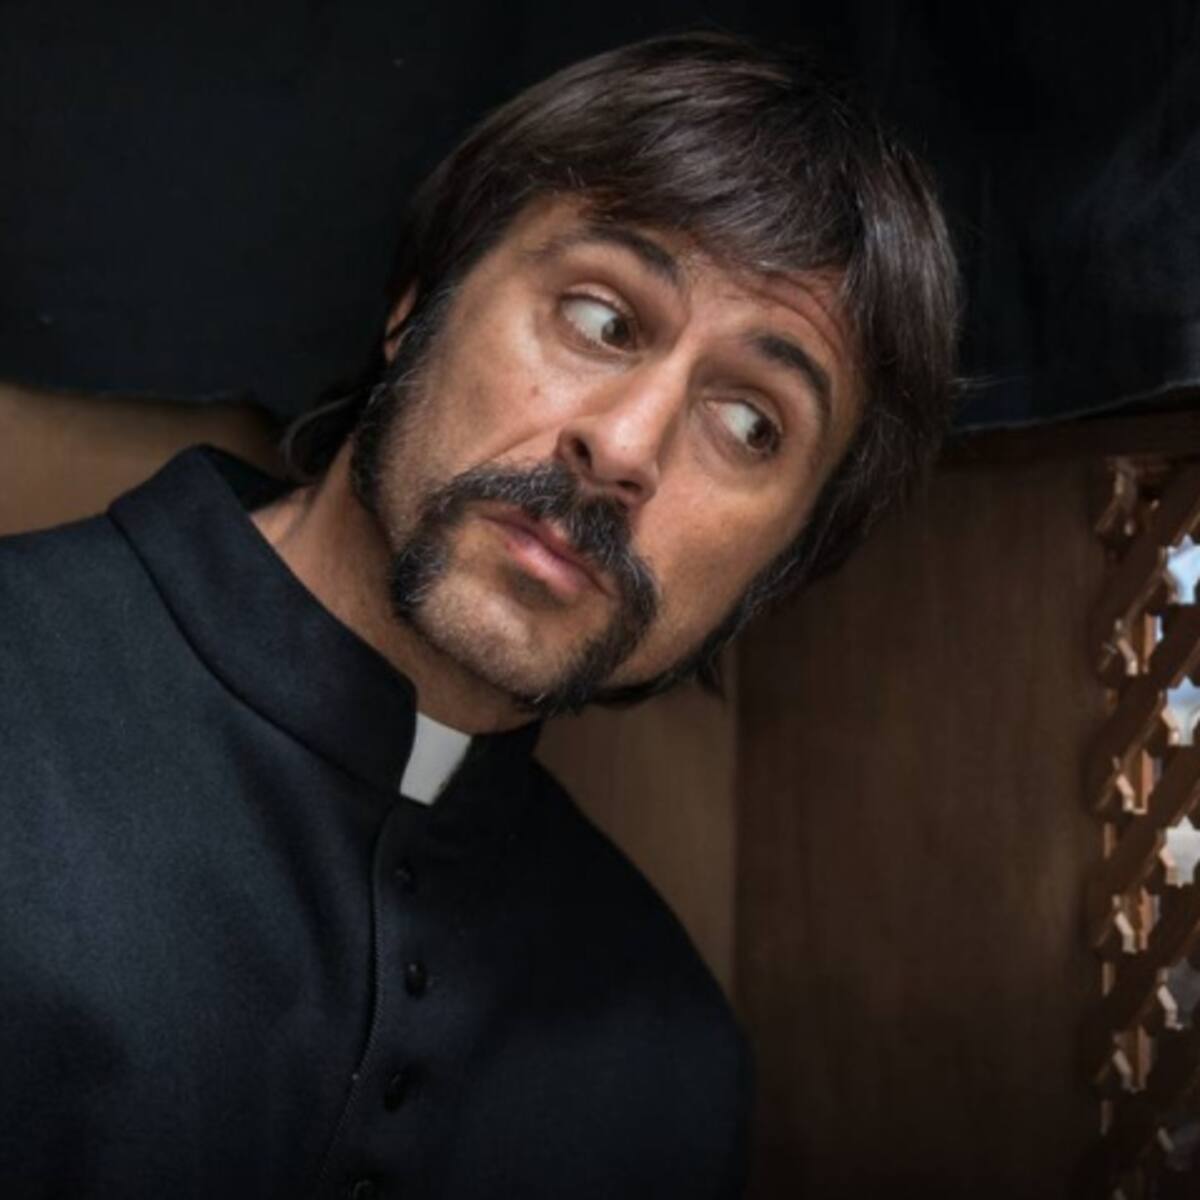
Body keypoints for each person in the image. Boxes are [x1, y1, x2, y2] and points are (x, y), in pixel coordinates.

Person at [0, 32, 958, 1200]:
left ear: (780, 563)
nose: (626, 446)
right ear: (420, 304)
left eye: (752, 424)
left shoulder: (671, 1068)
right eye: (601, 319)